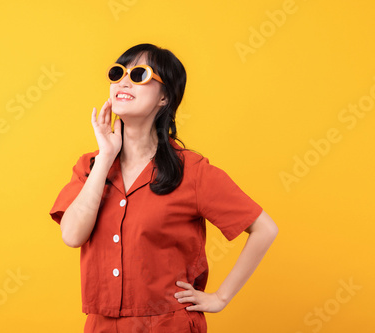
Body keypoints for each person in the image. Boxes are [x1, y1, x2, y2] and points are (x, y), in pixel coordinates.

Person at [49, 43, 279, 333]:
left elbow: (265, 228)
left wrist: (221, 297)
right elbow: (71, 235)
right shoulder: (89, 166)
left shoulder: (192, 172)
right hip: (101, 326)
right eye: (118, 72)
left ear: (164, 97)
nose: (123, 81)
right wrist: (106, 155)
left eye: (139, 74)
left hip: (168, 325)